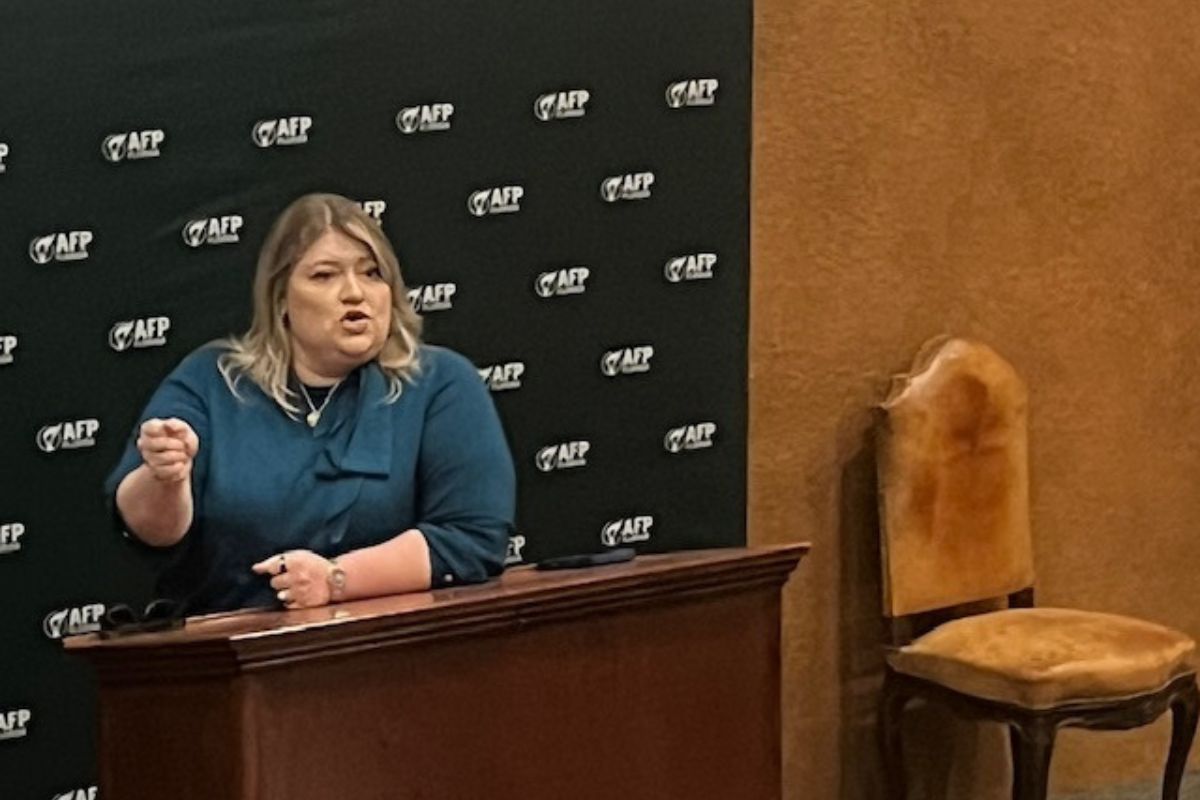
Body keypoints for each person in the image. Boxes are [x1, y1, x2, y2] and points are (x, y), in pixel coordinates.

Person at [106, 193, 516, 614]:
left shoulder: (440, 383)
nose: (354, 292)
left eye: (372, 273)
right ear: (280, 298)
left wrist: (337, 580)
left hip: (397, 656)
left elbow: (472, 538)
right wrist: (165, 479)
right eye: (325, 276)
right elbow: (148, 532)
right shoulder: (211, 381)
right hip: (234, 654)